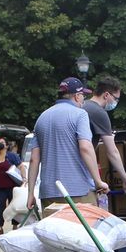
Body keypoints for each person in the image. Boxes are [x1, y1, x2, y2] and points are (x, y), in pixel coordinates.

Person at [27, 77, 109, 210]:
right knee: (83, 230)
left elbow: (34, 159)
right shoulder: (80, 114)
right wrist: (98, 181)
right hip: (78, 191)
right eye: (83, 95)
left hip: (48, 194)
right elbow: (85, 148)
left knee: (55, 231)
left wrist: (30, 193)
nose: (84, 100)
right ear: (77, 96)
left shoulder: (41, 118)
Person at [82, 76, 126, 191]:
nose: (116, 102)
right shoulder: (99, 113)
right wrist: (125, 179)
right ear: (106, 95)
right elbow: (112, 152)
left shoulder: (83, 105)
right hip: (82, 171)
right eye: (116, 99)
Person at [0, 137, 20, 233]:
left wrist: (24, 179)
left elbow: (21, 166)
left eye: (2, 142)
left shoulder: (12, 156)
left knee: (14, 206)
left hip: (12, 187)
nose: (0, 144)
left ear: (6, 145)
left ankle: (15, 225)